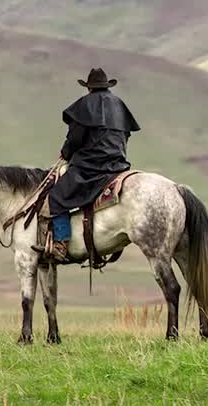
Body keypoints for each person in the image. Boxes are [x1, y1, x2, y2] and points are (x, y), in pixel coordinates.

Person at [35, 68, 141, 263]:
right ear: (107, 86)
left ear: (89, 89)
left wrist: (66, 153)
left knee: (57, 198)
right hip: (117, 166)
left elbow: (75, 138)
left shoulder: (85, 105)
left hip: (91, 167)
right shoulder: (119, 106)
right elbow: (125, 136)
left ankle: (60, 244)